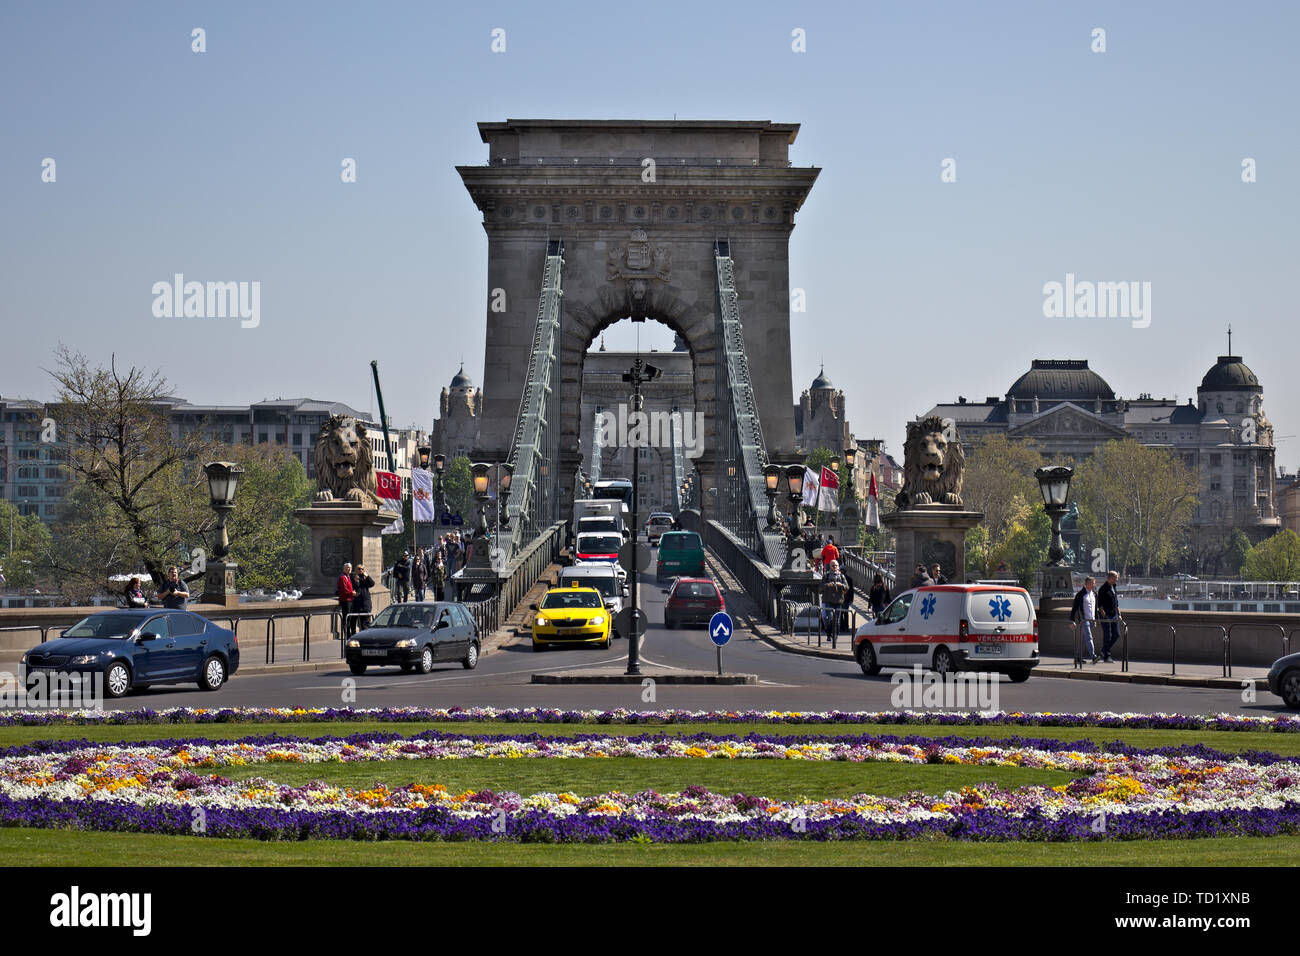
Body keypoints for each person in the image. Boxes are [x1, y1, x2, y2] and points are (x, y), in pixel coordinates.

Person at [820, 559, 849, 650]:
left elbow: (847, 587)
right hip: (828, 601)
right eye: (833, 566)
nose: (835, 567)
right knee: (830, 619)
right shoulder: (826, 575)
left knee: (838, 620)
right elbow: (820, 587)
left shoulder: (841, 576)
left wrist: (841, 585)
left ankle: (836, 634)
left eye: (836, 566)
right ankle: (829, 633)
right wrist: (828, 585)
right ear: (830, 567)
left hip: (838, 601)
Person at [1070, 576, 1098, 664]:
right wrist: (1072, 620)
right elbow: (1074, 608)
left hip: (1091, 620)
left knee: (1083, 639)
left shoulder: (1094, 594)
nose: (1094, 585)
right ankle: (1093, 656)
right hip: (1084, 620)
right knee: (1089, 637)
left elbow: (1095, 608)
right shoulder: (1080, 594)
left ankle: (1077, 657)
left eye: (1094, 583)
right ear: (1088, 584)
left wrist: (1095, 619)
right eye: (1093, 583)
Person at [1096, 570, 1122, 663]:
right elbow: (1099, 604)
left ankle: (1103, 651)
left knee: (1116, 635)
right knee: (1108, 636)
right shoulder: (1103, 589)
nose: (1117, 580)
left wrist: (1119, 614)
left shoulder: (1114, 587)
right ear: (1110, 578)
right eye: (1116, 578)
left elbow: (1116, 602)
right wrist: (1104, 615)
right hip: (1106, 616)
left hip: (1114, 615)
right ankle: (1107, 656)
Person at [350, 563, 375, 634]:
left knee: (365, 624)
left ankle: (365, 638)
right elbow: (355, 587)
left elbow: (372, 584)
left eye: (362, 569)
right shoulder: (353, 577)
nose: (360, 570)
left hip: (366, 604)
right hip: (357, 604)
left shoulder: (365, 578)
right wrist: (356, 581)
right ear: (355, 570)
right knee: (354, 622)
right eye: (359, 569)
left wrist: (367, 576)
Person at [336, 562, 355, 632]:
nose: (349, 569)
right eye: (347, 567)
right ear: (344, 569)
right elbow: (344, 589)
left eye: (350, 568)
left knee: (349, 618)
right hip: (346, 600)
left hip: (350, 599)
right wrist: (352, 593)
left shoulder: (348, 577)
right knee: (346, 618)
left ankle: (349, 633)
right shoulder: (342, 577)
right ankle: (346, 633)